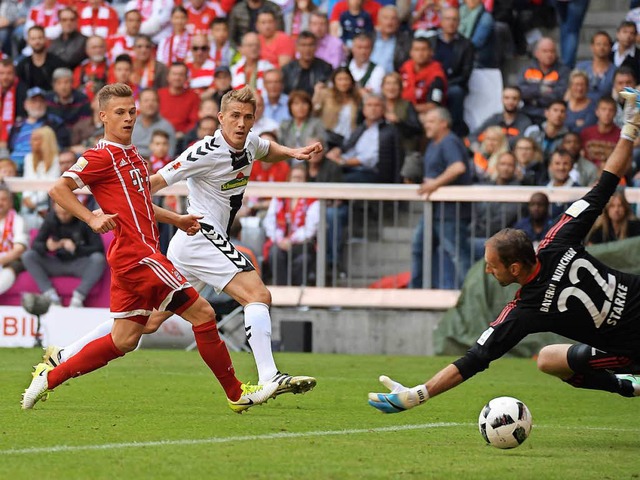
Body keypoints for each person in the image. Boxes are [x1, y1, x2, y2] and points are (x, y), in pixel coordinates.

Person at [39, 86, 319, 403]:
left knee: (144, 323)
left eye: (247, 118)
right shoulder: (205, 151)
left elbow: (268, 149)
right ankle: (269, 376)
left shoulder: (250, 141)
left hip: (190, 244)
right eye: (235, 117)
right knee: (257, 294)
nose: (241, 124)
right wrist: (119, 202)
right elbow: (156, 180)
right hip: (202, 235)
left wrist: (293, 152)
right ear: (221, 118)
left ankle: (62, 356)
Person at [368, 90, 640, 415]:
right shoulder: (558, 239)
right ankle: (628, 384)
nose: (486, 271)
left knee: (565, 361)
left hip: (632, 346)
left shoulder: (525, 309)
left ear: (514, 268)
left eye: (491, 266)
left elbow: (474, 359)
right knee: (548, 359)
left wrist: (419, 394)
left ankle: (629, 381)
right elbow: (606, 183)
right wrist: (629, 129)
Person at [411, 107, 472, 289]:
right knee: (419, 247)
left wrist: (434, 184)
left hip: (450, 212)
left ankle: (469, 294)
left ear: (443, 123)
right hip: (435, 211)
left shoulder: (449, 141)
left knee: (457, 254)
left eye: (431, 121)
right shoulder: (433, 143)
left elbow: (458, 167)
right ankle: (418, 291)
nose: (426, 125)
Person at [21, 202, 106, 307]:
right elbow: (35, 245)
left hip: (79, 263)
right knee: (28, 256)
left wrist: (76, 249)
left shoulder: (84, 218)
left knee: (98, 259)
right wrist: (47, 247)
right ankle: (50, 295)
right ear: (54, 209)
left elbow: (98, 247)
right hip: (57, 262)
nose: (63, 217)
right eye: (59, 213)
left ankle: (78, 297)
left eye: (66, 213)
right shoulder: (51, 218)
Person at [262, 163, 319, 286]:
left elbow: (310, 229)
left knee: (303, 259)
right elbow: (269, 222)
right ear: (289, 180)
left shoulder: (312, 200)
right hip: (281, 242)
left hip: (301, 244)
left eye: (300, 178)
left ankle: (297, 296)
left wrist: (291, 240)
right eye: (294, 178)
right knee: (275, 253)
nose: (297, 181)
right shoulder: (279, 197)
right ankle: (282, 294)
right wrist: (279, 239)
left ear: (306, 181)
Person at [469, 86, 532, 150]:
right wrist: (478, 150)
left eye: (514, 98)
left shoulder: (525, 122)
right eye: (506, 98)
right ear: (502, 99)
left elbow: (524, 142)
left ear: (519, 101)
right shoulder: (494, 119)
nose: (510, 102)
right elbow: (473, 136)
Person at [0, 185, 27, 296]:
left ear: (11, 202)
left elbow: (18, 250)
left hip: (10, 261)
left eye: (4, 199)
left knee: (11, 269)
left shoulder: (18, 220)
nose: (0, 202)